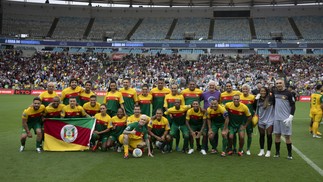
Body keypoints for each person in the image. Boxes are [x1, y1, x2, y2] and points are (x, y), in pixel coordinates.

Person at [273, 79, 296, 160]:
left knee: (287, 136)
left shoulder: (289, 93)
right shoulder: (275, 92)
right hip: (276, 118)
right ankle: (277, 153)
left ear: (283, 84)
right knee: (277, 135)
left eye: (280, 83)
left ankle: (289, 154)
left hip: (285, 119)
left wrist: (291, 116)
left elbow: (293, 105)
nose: (278, 84)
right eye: (277, 83)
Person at [164, 84, 185, 151]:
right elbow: (165, 106)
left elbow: (183, 106)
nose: (173, 89)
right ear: (170, 89)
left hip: (178, 117)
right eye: (172, 88)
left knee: (177, 132)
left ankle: (177, 146)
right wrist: (170, 113)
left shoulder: (180, 96)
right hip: (169, 117)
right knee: (169, 132)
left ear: (177, 89)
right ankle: (169, 146)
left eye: (175, 88)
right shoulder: (167, 96)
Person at [256, 87, 275, 157]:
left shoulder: (271, 98)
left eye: (264, 91)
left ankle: (268, 151)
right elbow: (254, 107)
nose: (262, 92)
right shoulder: (258, 99)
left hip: (269, 119)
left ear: (267, 92)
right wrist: (255, 99)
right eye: (261, 91)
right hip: (260, 119)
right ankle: (261, 150)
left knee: (269, 135)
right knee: (261, 135)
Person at [239, 84, 255, 155]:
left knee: (249, 134)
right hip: (241, 118)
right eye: (243, 89)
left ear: (249, 90)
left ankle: (248, 149)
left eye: (246, 89)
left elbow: (255, 107)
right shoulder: (239, 97)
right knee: (241, 135)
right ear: (241, 90)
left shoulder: (252, 97)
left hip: (249, 119)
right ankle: (241, 149)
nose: (245, 90)